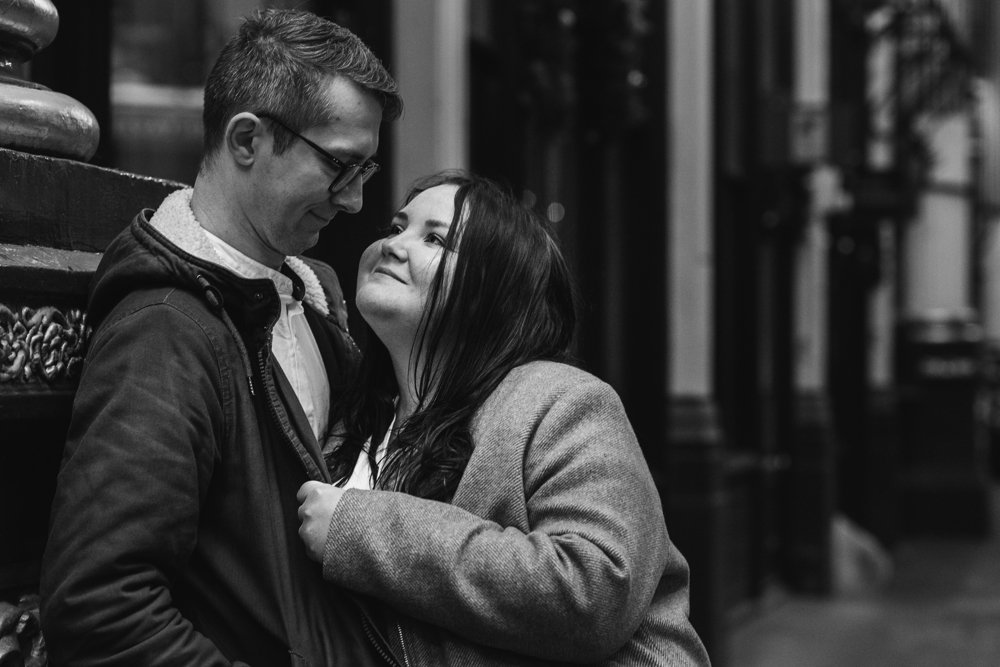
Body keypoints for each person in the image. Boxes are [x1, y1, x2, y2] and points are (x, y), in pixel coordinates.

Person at [40, 9, 402, 665]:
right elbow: (100, 608)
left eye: (365, 172)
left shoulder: (313, 298)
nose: (352, 201)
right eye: (339, 166)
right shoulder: (164, 330)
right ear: (246, 141)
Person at [296, 171, 711, 666]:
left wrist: (358, 528)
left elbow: (596, 590)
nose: (393, 245)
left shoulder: (562, 403)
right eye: (395, 227)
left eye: (434, 239)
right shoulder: (353, 426)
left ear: (490, 292)